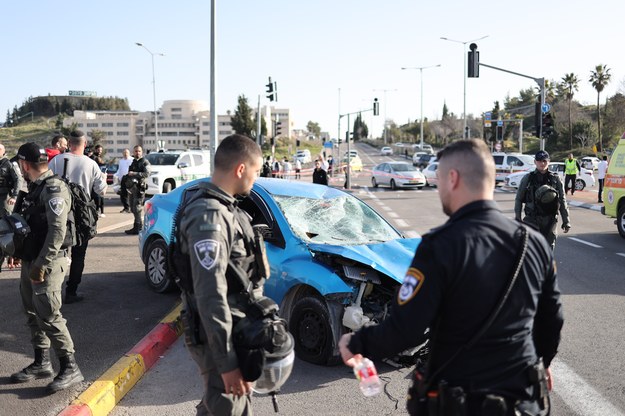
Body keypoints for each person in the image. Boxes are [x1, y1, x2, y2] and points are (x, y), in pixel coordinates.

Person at [339, 139, 563, 416]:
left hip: (463, 401)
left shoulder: (439, 246)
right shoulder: (534, 242)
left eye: (441, 178)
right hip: (525, 401)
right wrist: (542, 362)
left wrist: (356, 342)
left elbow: (405, 329)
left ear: (453, 178)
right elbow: (552, 319)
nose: (439, 188)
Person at [178, 134, 264, 415]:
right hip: (219, 335)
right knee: (230, 407)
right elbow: (210, 294)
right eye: (256, 171)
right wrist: (227, 364)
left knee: (221, 406)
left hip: (235, 329)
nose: (256, 177)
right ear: (241, 169)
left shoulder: (227, 209)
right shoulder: (210, 217)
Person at [8, 142, 84, 393]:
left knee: (49, 315)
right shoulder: (33, 188)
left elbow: (57, 231)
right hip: (32, 259)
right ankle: (42, 363)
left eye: (20, 163)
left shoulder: (53, 188)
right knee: (31, 313)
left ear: (25, 164)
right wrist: (19, 253)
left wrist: (41, 264)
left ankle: (70, 367)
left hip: (48, 262)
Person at [49, 130, 107, 303]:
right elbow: (101, 190)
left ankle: (52, 291)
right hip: (81, 215)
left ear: (69, 142)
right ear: (84, 143)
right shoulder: (90, 164)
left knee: (55, 251)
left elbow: (45, 182)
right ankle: (71, 291)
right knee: (79, 254)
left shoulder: (56, 160)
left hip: (57, 211)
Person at [515, 150, 571, 250]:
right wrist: (518, 219)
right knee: (531, 251)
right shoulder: (528, 178)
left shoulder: (555, 179)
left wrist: (566, 221)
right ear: (535, 162)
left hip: (550, 220)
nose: (542, 163)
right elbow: (519, 199)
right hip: (532, 220)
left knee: (548, 251)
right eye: (539, 161)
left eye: (544, 161)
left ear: (549, 161)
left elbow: (562, 200)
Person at [124, 145, 150, 235]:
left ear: (141, 152)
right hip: (132, 188)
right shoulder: (133, 162)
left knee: (137, 208)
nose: (137, 153)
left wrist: (134, 173)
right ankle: (138, 226)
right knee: (132, 207)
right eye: (135, 151)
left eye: (139, 151)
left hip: (140, 188)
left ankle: (138, 227)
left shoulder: (144, 162)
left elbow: (146, 173)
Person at [0, 143, 22, 217]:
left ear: (4, 151)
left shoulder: (10, 163)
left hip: (5, 199)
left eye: (0, 149)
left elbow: (18, 179)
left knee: (8, 220)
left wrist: (14, 196)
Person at [90, 144, 106, 218]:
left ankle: (101, 211)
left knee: (101, 196)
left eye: (101, 150)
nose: (100, 151)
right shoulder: (93, 157)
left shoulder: (100, 158)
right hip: (95, 179)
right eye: (98, 150)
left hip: (101, 177)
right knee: (96, 195)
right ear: (95, 150)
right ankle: (96, 210)